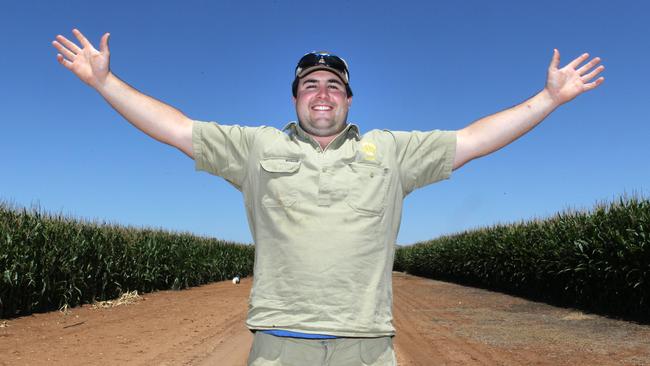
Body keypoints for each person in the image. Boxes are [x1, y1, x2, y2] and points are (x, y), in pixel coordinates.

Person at [52, 29, 605, 366]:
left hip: (364, 346)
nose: (322, 94)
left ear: (348, 99)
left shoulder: (392, 151)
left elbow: (473, 140)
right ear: (295, 97)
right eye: (311, 85)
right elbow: (176, 129)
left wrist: (549, 98)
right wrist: (106, 84)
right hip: (278, 343)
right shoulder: (254, 146)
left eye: (333, 86)